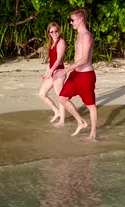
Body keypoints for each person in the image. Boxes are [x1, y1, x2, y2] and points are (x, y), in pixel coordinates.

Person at [58, 9, 98, 141]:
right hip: (76, 74)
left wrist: (66, 69)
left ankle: (93, 134)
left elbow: (85, 59)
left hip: (86, 75)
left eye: (73, 20)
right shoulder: (79, 35)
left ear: (80, 20)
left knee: (90, 105)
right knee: (62, 98)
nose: (71, 23)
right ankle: (81, 122)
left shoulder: (86, 35)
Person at [38, 22, 67, 126]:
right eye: (52, 31)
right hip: (52, 71)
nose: (54, 33)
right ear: (49, 33)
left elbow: (59, 59)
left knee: (60, 97)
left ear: (59, 30)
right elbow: (51, 60)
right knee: (41, 94)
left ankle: (62, 121)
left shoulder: (61, 42)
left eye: (56, 31)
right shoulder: (51, 43)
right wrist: (47, 72)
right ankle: (57, 111)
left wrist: (51, 72)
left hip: (59, 72)